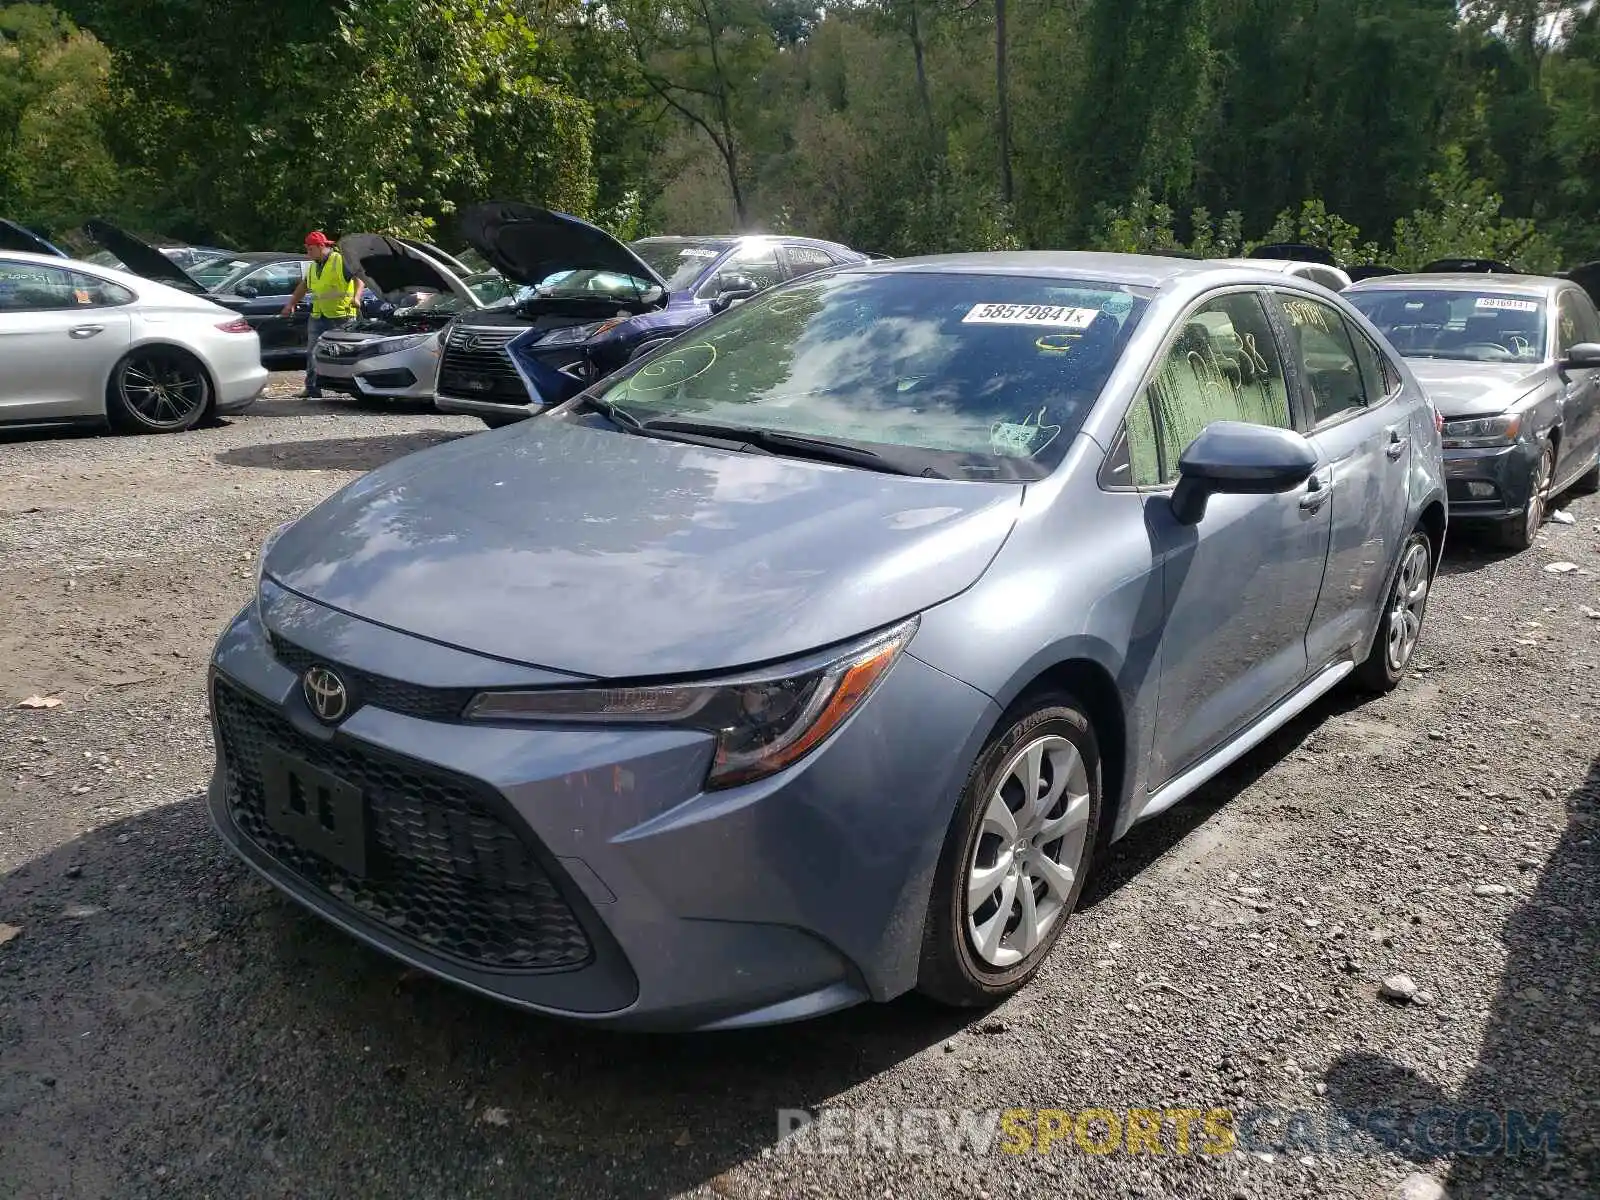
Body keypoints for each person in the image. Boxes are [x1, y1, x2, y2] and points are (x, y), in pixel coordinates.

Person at [281, 231, 365, 398]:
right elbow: (304, 286)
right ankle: (312, 389)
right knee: (312, 352)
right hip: (319, 315)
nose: (308, 253)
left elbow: (359, 278)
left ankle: (351, 388)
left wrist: (356, 297)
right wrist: (291, 304)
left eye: (310, 249)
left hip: (342, 316)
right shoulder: (314, 266)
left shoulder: (340, 260)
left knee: (344, 353)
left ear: (321, 246)